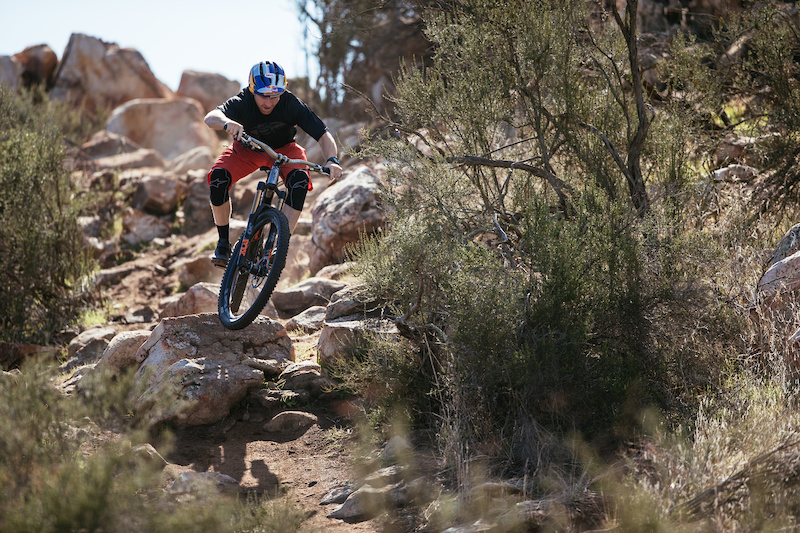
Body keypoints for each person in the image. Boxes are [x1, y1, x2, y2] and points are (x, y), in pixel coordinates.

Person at [204, 60, 343, 267]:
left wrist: (332, 160)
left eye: (275, 96)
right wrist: (226, 122)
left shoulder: (290, 103)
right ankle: (223, 243)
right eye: (263, 95)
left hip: (283, 150)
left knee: (299, 183)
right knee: (218, 180)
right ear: (252, 90)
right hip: (247, 149)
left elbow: (323, 135)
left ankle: (277, 245)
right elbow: (211, 117)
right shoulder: (243, 101)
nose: (269, 102)